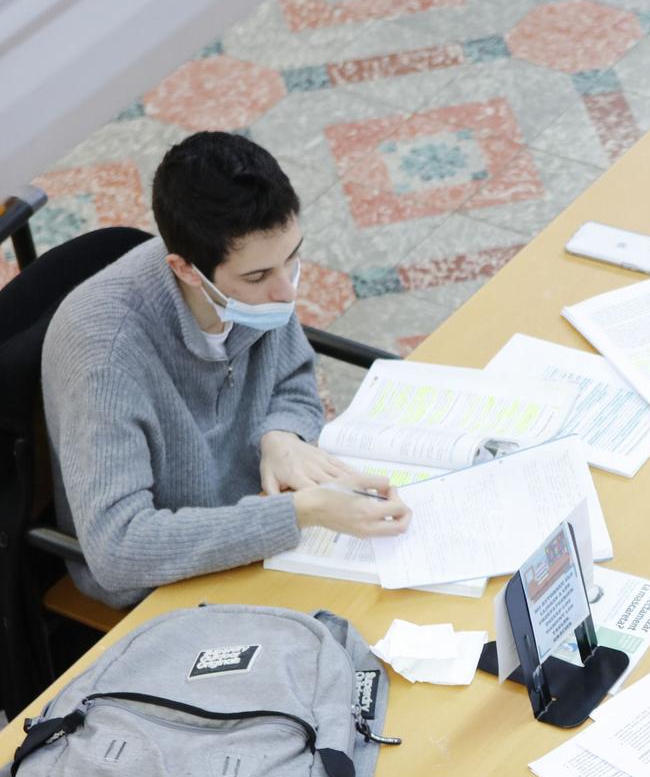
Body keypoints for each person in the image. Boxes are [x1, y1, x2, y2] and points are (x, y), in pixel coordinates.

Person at [43, 131, 409, 607]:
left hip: (259, 515)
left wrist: (281, 435)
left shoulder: (255, 277)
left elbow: (295, 381)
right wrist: (297, 513)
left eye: (293, 258)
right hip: (168, 577)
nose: (287, 291)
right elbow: (118, 549)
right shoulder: (105, 355)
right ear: (185, 269)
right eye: (258, 276)